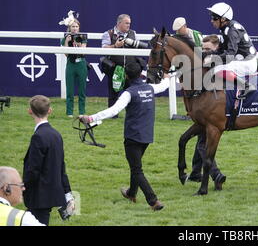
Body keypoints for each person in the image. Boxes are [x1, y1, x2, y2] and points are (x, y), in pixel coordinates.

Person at [79, 62, 170, 211]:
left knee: (136, 169)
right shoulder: (150, 87)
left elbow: (113, 111)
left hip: (133, 136)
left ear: (126, 76)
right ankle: (131, 193)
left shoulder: (128, 93)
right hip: (147, 136)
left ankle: (153, 201)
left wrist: (90, 118)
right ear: (141, 73)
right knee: (136, 166)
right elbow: (164, 85)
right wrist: (167, 77)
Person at [24, 95, 74, 225]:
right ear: (49, 111)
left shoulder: (38, 137)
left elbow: (33, 169)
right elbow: (61, 165)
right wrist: (67, 191)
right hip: (51, 191)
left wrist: (24, 187)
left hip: (39, 194)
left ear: (30, 111)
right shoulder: (56, 135)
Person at [186, 35, 227, 188]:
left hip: (216, 112)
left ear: (217, 48)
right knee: (200, 141)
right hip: (205, 111)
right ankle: (196, 172)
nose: (205, 52)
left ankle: (215, 174)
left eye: (209, 49)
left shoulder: (219, 65)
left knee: (202, 143)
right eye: (203, 49)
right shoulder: (204, 64)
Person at [206, 2, 257, 98]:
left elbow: (230, 55)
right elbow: (221, 50)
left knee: (217, 69)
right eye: (212, 18)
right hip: (241, 60)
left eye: (214, 18)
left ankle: (246, 86)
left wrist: (213, 59)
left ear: (223, 19)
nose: (212, 21)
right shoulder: (225, 28)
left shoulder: (232, 30)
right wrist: (206, 55)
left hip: (247, 62)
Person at [101, 14, 142, 114]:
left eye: (129, 23)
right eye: (126, 23)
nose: (129, 25)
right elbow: (103, 49)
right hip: (115, 69)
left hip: (130, 70)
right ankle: (112, 115)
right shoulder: (108, 34)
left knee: (131, 93)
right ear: (119, 23)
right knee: (113, 94)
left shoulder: (133, 33)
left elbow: (137, 48)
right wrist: (115, 46)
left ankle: (132, 113)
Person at [61, 18, 88, 117]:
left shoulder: (82, 36)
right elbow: (66, 54)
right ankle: (69, 112)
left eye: (76, 26)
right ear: (69, 27)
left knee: (82, 90)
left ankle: (81, 112)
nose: (75, 28)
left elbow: (83, 51)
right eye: (73, 26)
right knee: (70, 90)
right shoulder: (65, 37)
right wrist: (67, 42)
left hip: (81, 64)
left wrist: (79, 44)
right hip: (71, 64)